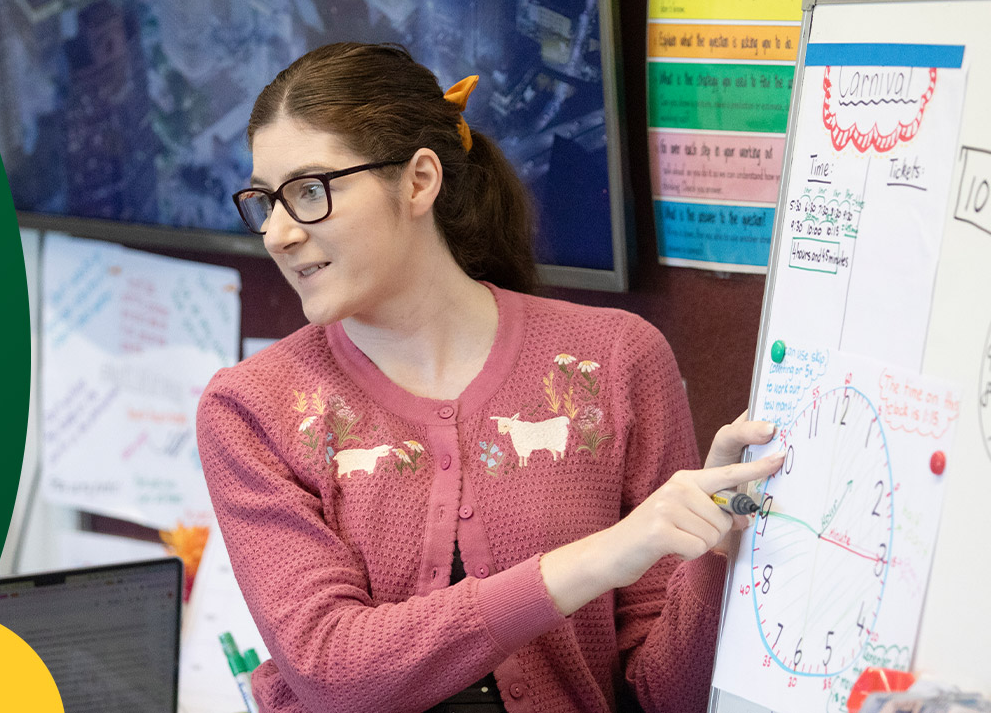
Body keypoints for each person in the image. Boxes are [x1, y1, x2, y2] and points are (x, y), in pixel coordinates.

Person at [196, 42, 782, 713]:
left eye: (308, 192)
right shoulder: (251, 407)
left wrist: (711, 544)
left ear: (419, 181)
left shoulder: (613, 360)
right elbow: (334, 670)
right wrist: (608, 554)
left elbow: (668, 696)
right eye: (264, 201)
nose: (277, 233)